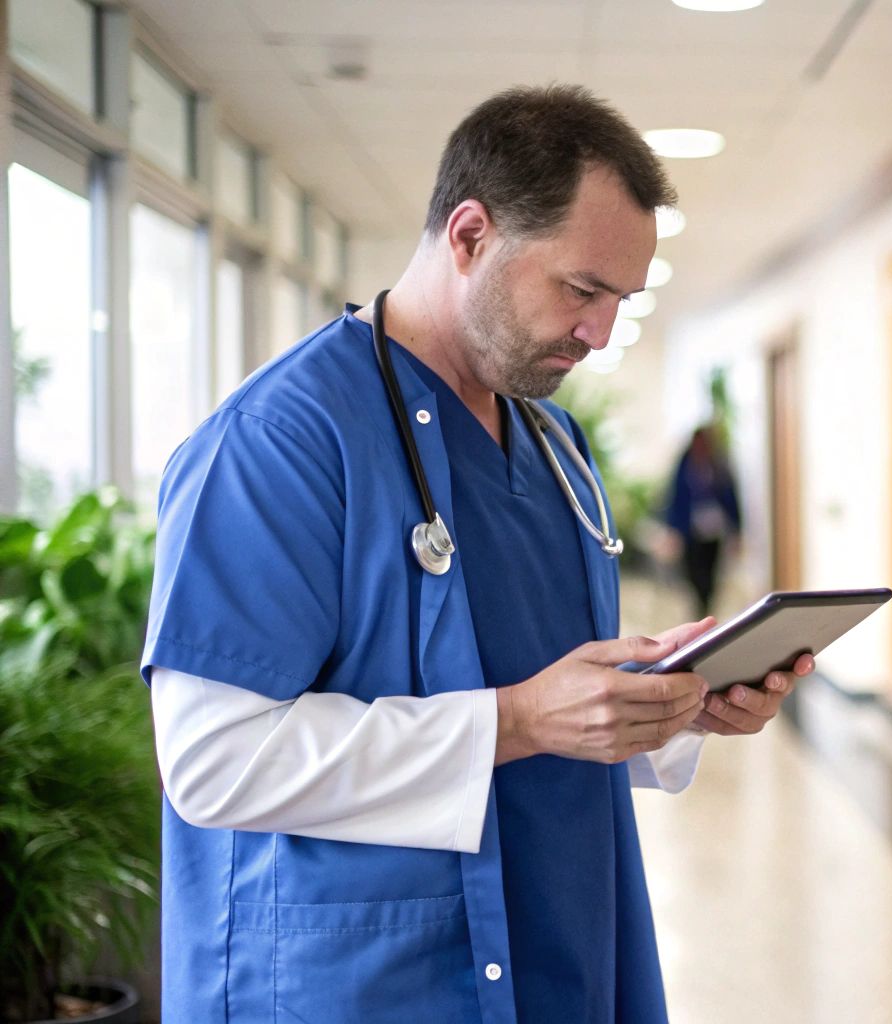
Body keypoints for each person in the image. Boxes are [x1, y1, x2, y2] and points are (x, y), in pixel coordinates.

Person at [141, 84, 809, 1023]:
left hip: (560, 945)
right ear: (469, 236)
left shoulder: (555, 449)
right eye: (581, 289)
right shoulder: (277, 442)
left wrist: (673, 703)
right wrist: (519, 720)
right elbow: (214, 762)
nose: (599, 331)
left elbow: (548, 701)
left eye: (620, 298)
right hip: (364, 981)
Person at [664, 424, 743, 617]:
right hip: (690, 531)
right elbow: (675, 498)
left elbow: (731, 498)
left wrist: (737, 530)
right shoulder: (685, 465)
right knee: (693, 573)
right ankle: (700, 609)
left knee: (710, 575)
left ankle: (705, 611)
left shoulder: (718, 465)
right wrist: (673, 530)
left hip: (713, 531)